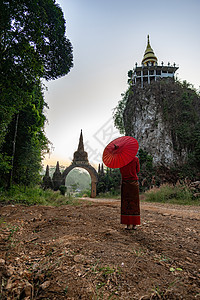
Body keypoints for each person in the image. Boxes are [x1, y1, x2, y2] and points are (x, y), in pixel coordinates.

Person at [120, 156, 140, 230]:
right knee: (135, 203)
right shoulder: (135, 159)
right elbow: (137, 170)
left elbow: (121, 171)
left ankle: (128, 225)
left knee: (126, 203)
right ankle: (134, 225)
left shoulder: (122, 160)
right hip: (134, 182)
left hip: (125, 182)